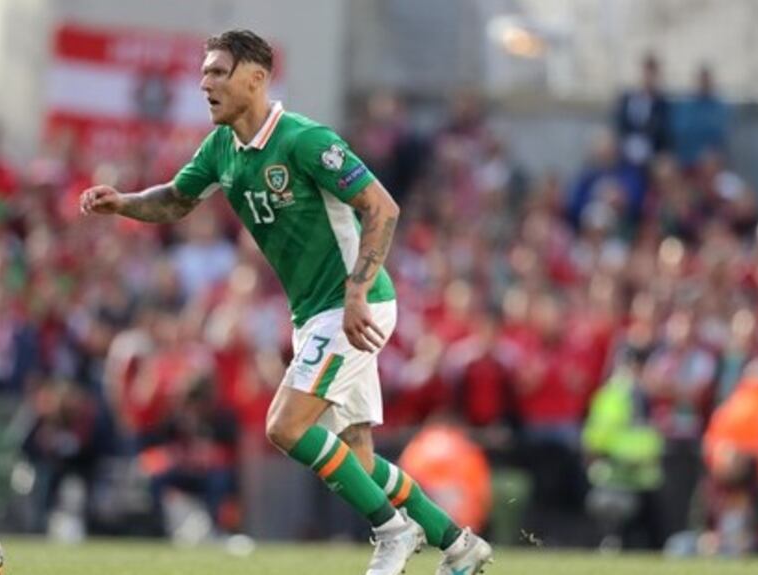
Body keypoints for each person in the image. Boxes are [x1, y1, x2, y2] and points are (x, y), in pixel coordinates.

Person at [80, 29, 492, 575]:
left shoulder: (303, 140)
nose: (204, 82)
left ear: (255, 78)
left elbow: (382, 208)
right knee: (359, 461)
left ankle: (393, 531)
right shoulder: (222, 148)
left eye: (217, 72)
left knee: (285, 426)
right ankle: (459, 546)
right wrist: (123, 204)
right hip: (315, 314)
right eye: (203, 72)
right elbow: (176, 200)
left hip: (353, 308)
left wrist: (356, 292)